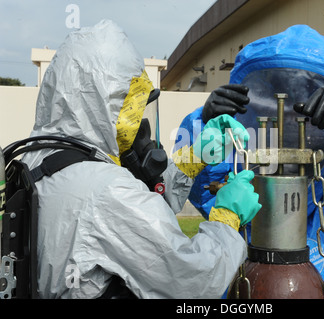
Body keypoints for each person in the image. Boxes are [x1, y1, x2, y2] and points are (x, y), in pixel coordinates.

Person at [20, 20, 261, 299]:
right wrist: (227, 217)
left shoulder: (40, 159)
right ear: (109, 105)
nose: (143, 129)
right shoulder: (105, 189)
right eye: (135, 109)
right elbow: (195, 280)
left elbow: (135, 223)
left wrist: (193, 159)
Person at [174, 25, 324, 299]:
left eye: (299, 104)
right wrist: (203, 126)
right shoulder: (243, 180)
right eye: (276, 101)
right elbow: (198, 187)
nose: (289, 118)